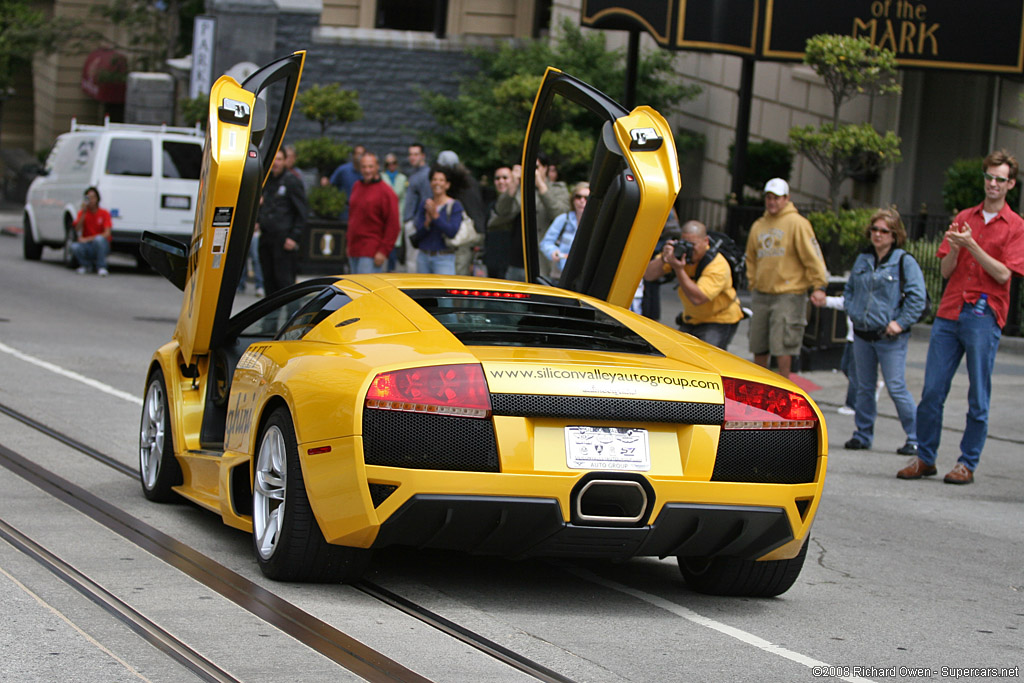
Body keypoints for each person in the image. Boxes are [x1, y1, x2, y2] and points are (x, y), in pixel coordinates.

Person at [898, 149, 1024, 485]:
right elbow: (945, 269)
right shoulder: (965, 216)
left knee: (978, 395)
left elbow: (1003, 274)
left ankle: (967, 462)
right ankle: (925, 457)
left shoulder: (1015, 225)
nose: (993, 184)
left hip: (984, 313)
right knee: (932, 391)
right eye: (989, 177)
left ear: (1010, 183)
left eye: (1000, 179)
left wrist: (972, 246)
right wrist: (956, 247)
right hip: (950, 310)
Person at [842, 208, 926, 455]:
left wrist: (900, 322)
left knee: (896, 387)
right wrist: (853, 310)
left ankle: (916, 437)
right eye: (874, 230)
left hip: (890, 337)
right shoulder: (863, 259)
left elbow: (917, 298)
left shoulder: (903, 261)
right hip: (862, 334)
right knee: (864, 386)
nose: (877, 235)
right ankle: (863, 434)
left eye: (884, 231)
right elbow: (850, 290)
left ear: (894, 235)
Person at [745, 178, 829, 376]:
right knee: (759, 343)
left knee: (783, 345)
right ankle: (757, 389)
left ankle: (784, 388)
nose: (772, 202)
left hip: (788, 294)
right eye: (768, 197)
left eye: (776, 198)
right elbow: (751, 257)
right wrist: (753, 282)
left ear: (786, 198)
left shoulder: (798, 223)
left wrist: (819, 285)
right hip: (762, 293)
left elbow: (812, 256)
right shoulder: (759, 225)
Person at [644, 219, 744, 350]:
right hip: (692, 318)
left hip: (719, 319)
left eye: (693, 244)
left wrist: (679, 270)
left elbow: (698, 298)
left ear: (706, 241)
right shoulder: (681, 254)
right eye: (685, 244)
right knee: (680, 356)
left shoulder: (717, 264)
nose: (689, 249)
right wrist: (664, 258)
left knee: (706, 362)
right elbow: (648, 275)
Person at [257, 149, 308, 295]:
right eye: (274, 159)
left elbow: (302, 212)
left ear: (286, 161)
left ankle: (290, 315)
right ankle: (271, 316)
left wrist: (294, 237)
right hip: (266, 236)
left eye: (279, 159)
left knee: (284, 282)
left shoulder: (292, 181)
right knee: (268, 279)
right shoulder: (267, 181)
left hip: (283, 238)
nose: (276, 163)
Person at [346, 152, 400, 274]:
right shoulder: (356, 186)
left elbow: (393, 225)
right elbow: (352, 217)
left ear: (377, 167)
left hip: (372, 252)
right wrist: (349, 245)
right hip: (354, 249)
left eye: (370, 166)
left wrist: (383, 251)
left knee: (365, 291)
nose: (367, 170)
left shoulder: (386, 192)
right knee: (353, 291)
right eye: (364, 167)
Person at [436, 150, 486, 275]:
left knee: (458, 276)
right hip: (475, 232)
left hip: (464, 236)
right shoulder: (469, 181)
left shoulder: (457, 186)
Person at [412, 166, 464, 275]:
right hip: (424, 256)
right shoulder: (425, 204)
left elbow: (452, 232)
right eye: (434, 179)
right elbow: (418, 233)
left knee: (443, 290)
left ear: (447, 185)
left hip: (444, 257)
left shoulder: (454, 205)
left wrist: (436, 217)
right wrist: (427, 223)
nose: (437, 183)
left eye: (441, 180)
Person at [540, 182, 590, 277]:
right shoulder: (563, 219)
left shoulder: (596, 222)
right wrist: (553, 252)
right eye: (578, 197)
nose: (582, 201)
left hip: (584, 276)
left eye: (586, 198)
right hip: (560, 275)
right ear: (573, 199)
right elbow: (546, 243)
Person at [534, 152, 570, 278]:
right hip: (516, 259)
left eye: (536, 167)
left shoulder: (558, 189)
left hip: (543, 261)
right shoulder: (518, 188)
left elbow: (559, 214)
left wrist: (540, 185)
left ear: (545, 168)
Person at [484, 164, 520, 280]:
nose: (501, 181)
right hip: (492, 261)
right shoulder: (491, 203)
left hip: (511, 264)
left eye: (505, 178)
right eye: (497, 178)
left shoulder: (519, 202)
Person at [70, 186, 113, 276]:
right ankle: (86, 266)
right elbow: (77, 228)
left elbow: (107, 233)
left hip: (100, 245)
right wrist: (83, 212)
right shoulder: (82, 213)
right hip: (88, 245)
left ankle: (101, 267)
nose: (91, 200)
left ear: (97, 199)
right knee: (74, 246)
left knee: (99, 239)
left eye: (93, 197)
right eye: (88, 198)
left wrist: (88, 239)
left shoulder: (104, 213)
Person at [402, 143, 430, 273]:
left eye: (416, 154)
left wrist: (417, 222)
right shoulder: (414, 174)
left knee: (413, 261)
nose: (412, 157)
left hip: (415, 222)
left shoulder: (425, 175)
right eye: (410, 154)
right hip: (411, 221)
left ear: (423, 156)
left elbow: (426, 199)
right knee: (410, 259)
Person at [324, 144, 365, 221]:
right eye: (358, 154)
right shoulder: (343, 170)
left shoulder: (366, 172)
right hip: (345, 210)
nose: (360, 157)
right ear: (353, 155)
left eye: (362, 154)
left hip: (362, 210)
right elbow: (331, 185)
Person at [381, 153, 408, 271]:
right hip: (384, 215)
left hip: (398, 213)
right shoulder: (381, 177)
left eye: (393, 163)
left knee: (395, 243)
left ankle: (391, 269)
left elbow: (404, 197)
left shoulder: (402, 178)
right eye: (388, 164)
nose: (391, 166)